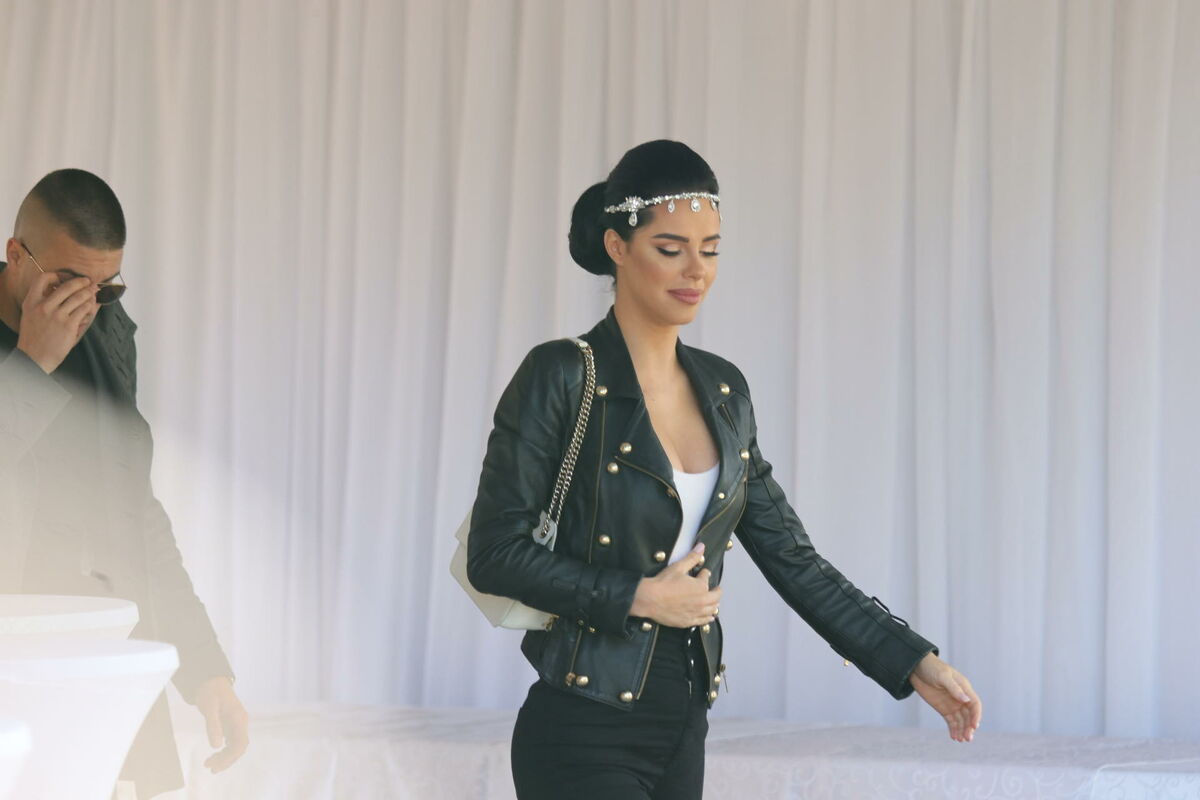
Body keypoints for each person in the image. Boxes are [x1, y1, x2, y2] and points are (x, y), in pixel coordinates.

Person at [466, 140, 983, 799]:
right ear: (618, 247)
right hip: (581, 728)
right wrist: (637, 595)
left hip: (683, 727)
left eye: (710, 250)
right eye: (670, 248)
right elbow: (494, 553)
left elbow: (793, 559)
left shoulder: (724, 392)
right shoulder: (562, 374)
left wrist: (911, 660)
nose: (696, 270)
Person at [0, 169, 249, 798]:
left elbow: (132, 510)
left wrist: (203, 668)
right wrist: (32, 364)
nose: (85, 304)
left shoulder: (106, 331)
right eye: (66, 282)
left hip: (97, 665)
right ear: (16, 254)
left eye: (105, 286)